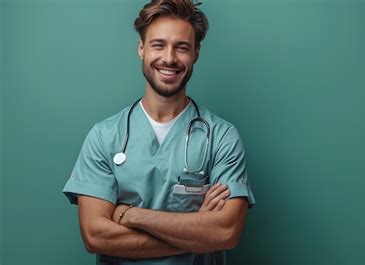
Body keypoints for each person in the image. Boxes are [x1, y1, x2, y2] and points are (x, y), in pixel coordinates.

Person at [62, 0, 255, 264]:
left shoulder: (221, 137)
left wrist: (129, 214)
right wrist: (198, 230)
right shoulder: (104, 136)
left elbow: (225, 232)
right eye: (158, 45)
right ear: (141, 48)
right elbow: (96, 237)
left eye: (182, 48)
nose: (169, 58)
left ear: (196, 53)